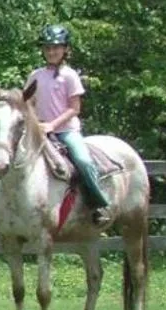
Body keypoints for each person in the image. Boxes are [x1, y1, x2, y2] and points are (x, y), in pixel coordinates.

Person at [25, 24, 112, 220]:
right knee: (10, 157)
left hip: (66, 131)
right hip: (39, 131)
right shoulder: (35, 75)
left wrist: (52, 125)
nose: (51, 52)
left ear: (65, 49)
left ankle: (97, 205)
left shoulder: (70, 76)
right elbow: (27, 103)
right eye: (47, 48)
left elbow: (74, 108)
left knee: (83, 161)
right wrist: (34, 123)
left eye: (55, 48)